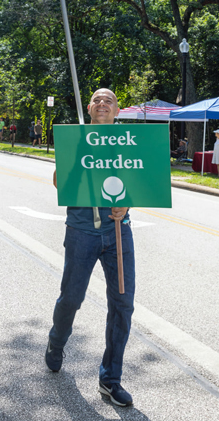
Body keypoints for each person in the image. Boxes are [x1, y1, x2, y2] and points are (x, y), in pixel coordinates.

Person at [45, 88, 135, 408]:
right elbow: (60, 183)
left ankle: (110, 379)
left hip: (118, 233)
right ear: (89, 107)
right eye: (97, 100)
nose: (102, 104)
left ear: (117, 109)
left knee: (123, 304)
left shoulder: (129, 141)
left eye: (108, 100)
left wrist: (127, 205)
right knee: (72, 297)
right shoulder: (77, 137)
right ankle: (56, 343)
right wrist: (74, 153)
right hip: (82, 230)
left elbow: (141, 181)